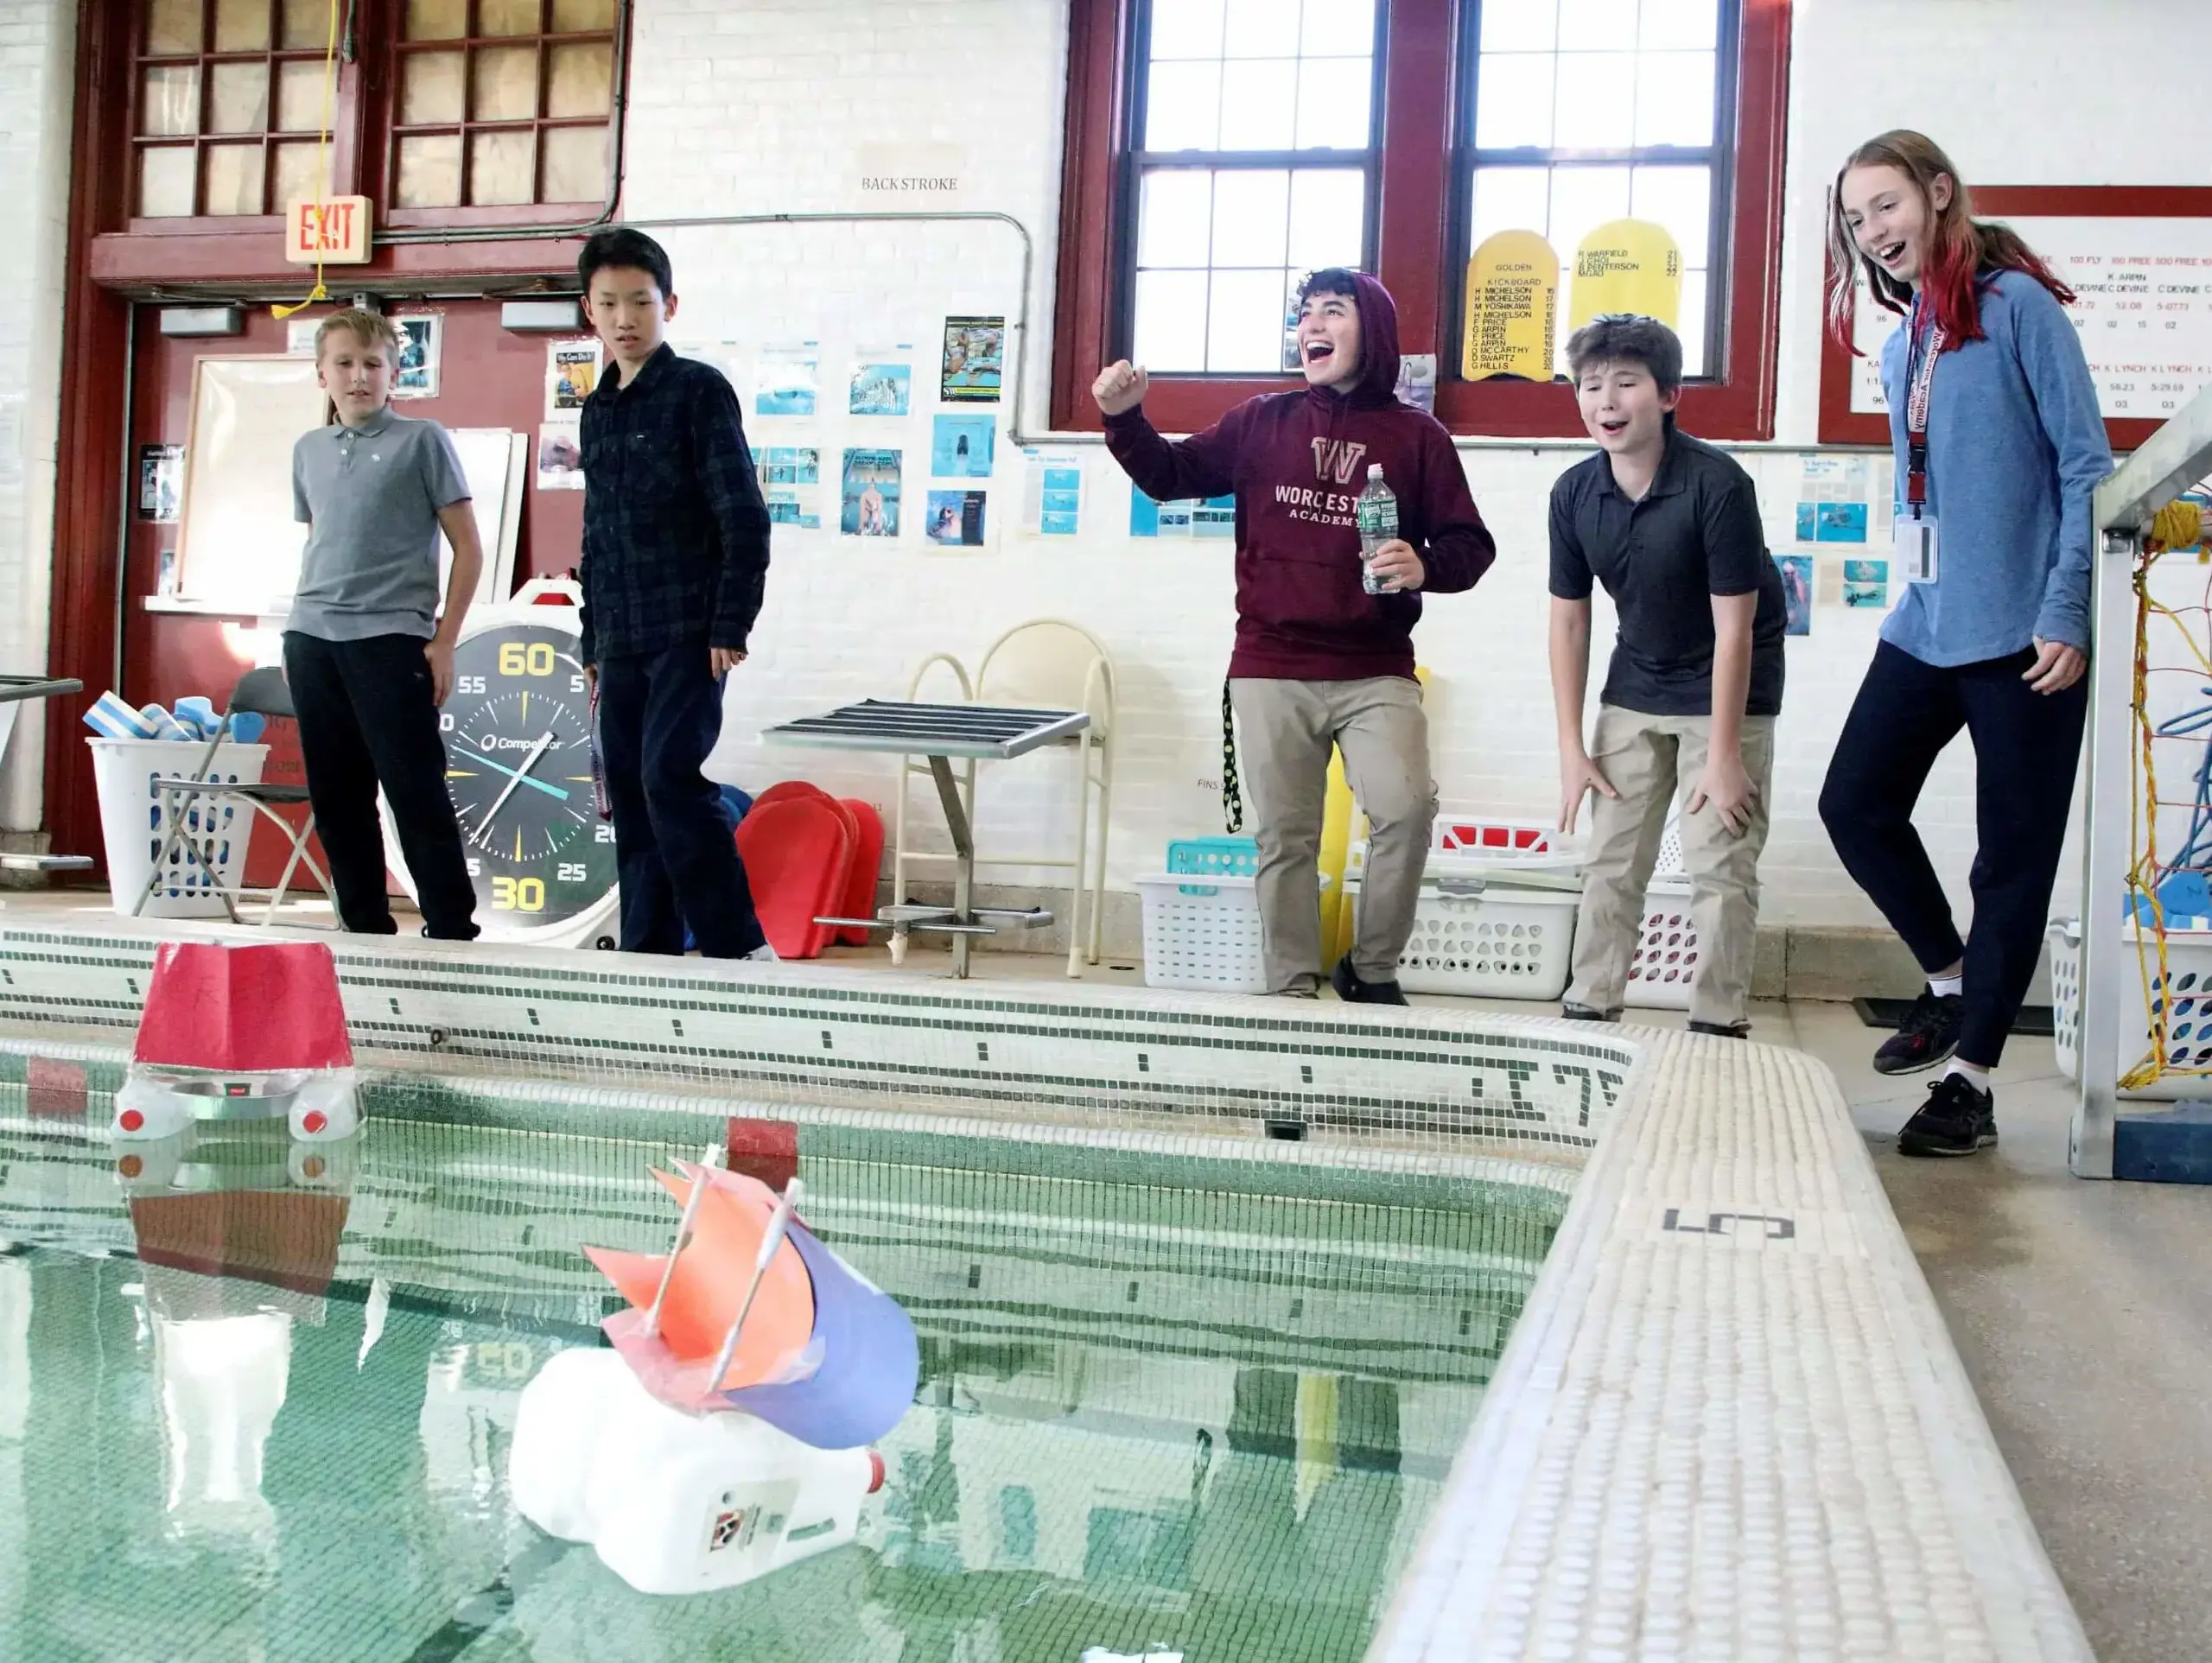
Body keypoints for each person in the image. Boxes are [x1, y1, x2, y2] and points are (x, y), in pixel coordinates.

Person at [1819, 130, 2110, 1157]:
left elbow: (2087, 468)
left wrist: (2066, 610)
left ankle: (1970, 1080)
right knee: (1853, 802)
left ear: (1939, 194)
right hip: (1927, 622)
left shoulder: (2021, 308)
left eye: (1886, 205)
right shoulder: (1905, 344)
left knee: (2011, 859)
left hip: (2028, 636)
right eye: (1856, 219)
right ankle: (1946, 980)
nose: (1873, 231)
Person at [1095, 268, 1496, 1002]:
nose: (1311, 325)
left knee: (1406, 811)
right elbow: (1172, 475)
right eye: (1305, 313)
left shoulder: (1419, 436)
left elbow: (1472, 547)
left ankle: (1370, 968)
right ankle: (1292, 983)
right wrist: (1125, 419)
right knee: (1286, 837)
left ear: (1369, 329)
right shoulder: (1261, 421)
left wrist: (1425, 564)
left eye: (1332, 311)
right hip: (1272, 662)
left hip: (1377, 668)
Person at [1548, 314, 1787, 1038]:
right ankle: (1590, 1004)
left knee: (1719, 861)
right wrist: (1571, 748)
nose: (1606, 400)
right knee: (1611, 858)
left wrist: (1723, 756)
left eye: (1626, 382)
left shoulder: (1717, 484)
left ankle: (1718, 1019)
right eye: (1592, 385)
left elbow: (1735, 629)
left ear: (1669, 394)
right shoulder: (1573, 493)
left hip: (1729, 680)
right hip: (1636, 679)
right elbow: (1569, 620)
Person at [576, 226, 775, 961]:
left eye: (640, 301)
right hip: (621, 637)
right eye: (609, 303)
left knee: (670, 780)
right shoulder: (597, 411)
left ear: (669, 306)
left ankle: (735, 946)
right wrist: (591, 641)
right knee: (629, 795)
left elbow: (742, 514)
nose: (625, 317)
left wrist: (732, 621)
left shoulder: (697, 389)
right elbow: (596, 537)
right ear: (588, 312)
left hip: (691, 631)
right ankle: (647, 952)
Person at [284, 308, 481, 939]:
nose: (359, 376)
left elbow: (469, 550)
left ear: (396, 373)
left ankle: (452, 925)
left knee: (413, 789)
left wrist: (444, 640)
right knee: (338, 798)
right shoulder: (309, 450)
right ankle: (363, 924)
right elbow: (326, 538)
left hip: (392, 639)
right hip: (313, 639)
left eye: (373, 364)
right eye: (345, 363)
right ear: (322, 374)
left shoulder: (422, 441)